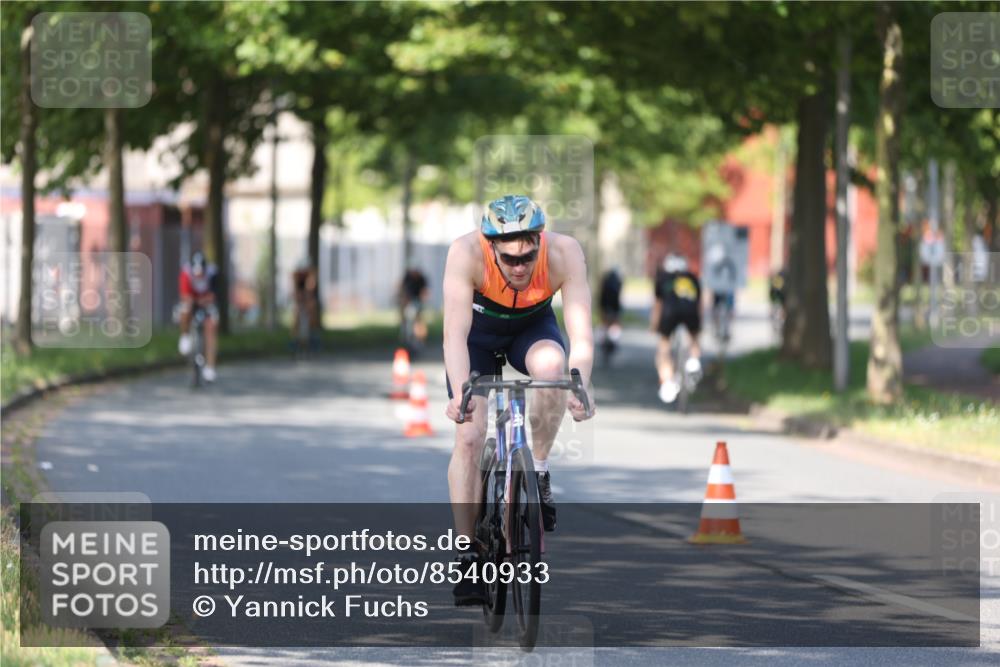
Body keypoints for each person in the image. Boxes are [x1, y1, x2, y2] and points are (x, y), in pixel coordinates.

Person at [443, 194, 596, 606]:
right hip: (477, 339)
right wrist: (461, 392)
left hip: (531, 329)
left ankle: (539, 470)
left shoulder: (565, 254)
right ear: (490, 245)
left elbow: (580, 333)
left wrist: (581, 384)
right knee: (470, 439)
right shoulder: (465, 253)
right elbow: (454, 333)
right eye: (509, 259)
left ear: (539, 243)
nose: (519, 267)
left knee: (553, 368)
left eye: (527, 257)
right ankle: (467, 553)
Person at [651, 253, 702, 403]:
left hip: (669, 312)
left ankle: (667, 381)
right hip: (690, 311)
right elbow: (699, 304)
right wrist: (699, 327)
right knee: (694, 338)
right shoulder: (693, 278)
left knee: (664, 347)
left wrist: (654, 325)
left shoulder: (663, 278)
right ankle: (693, 361)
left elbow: (658, 304)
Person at [177, 251, 219, 382]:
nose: (199, 276)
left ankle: (210, 367)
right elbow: (184, 295)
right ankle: (185, 336)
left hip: (206, 303)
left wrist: (204, 301)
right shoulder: (186, 273)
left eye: (201, 273)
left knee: (211, 327)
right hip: (192, 301)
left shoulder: (213, 274)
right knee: (185, 308)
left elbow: (214, 295)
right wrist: (193, 301)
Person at [398, 267, 430, 348]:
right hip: (408, 301)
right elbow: (402, 288)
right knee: (407, 320)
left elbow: (424, 291)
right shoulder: (407, 277)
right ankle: (407, 338)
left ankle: (416, 339)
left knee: (415, 319)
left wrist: (423, 300)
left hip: (417, 301)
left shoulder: (421, 278)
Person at [291, 261, 319, 352]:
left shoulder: (310, 275)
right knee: (297, 317)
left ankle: (312, 338)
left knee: (311, 314)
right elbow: (295, 291)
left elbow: (310, 288)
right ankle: (296, 341)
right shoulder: (296, 276)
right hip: (301, 300)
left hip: (307, 300)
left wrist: (308, 299)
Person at [598, 267, 624, 361]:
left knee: (605, 324)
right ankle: (613, 341)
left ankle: (603, 341)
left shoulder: (605, 282)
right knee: (615, 325)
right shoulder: (617, 283)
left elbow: (601, 297)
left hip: (605, 306)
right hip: (614, 307)